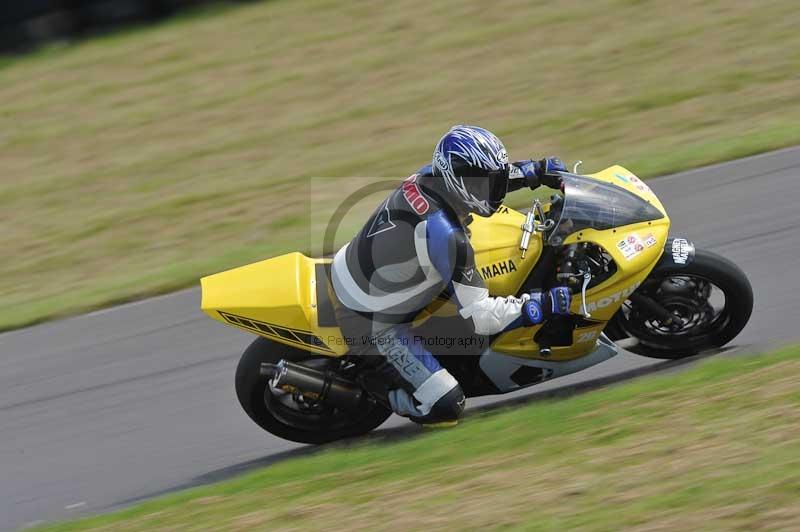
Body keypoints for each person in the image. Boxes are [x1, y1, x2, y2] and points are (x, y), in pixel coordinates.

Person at [330, 125, 571, 426]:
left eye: (494, 182)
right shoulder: (446, 237)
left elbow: (484, 176)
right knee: (446, 406)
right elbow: (481, 318)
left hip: (370, 271)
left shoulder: (431, 176)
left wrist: (535, 171)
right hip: (370, 320)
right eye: (487, 185)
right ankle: (369, 389)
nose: (493, 192)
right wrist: (538, 305)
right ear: (458, 179)